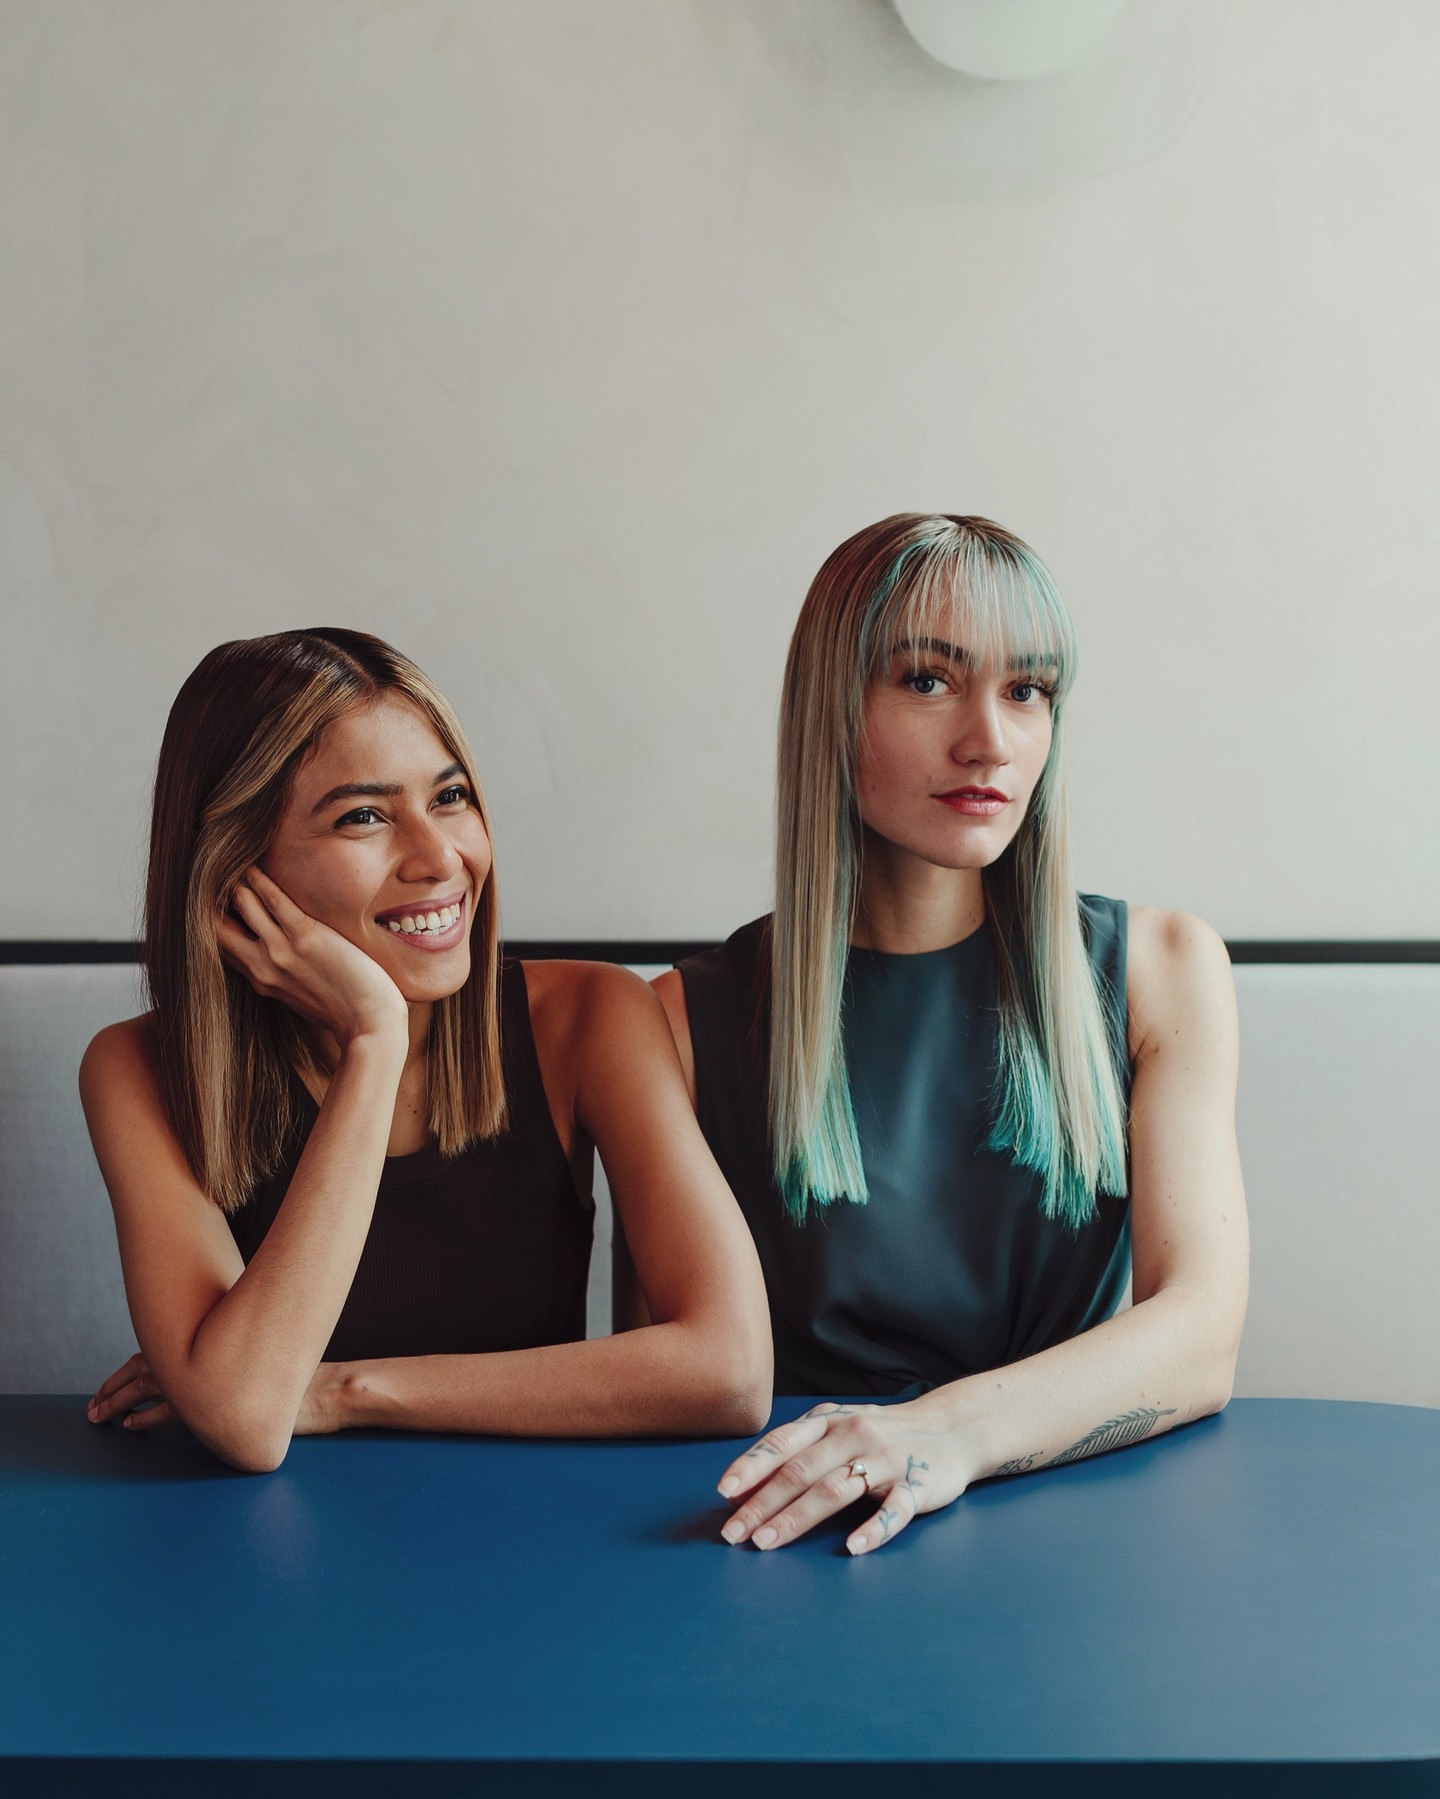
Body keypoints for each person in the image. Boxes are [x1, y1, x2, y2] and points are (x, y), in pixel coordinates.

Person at [647, 514, 1250, 1554]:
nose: (990, 741)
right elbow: (674, 1381)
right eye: (928, 680)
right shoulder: (681, 1020)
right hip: (793, 1540)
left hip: (1076, 1534)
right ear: (832, 704)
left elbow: (1200, 1332)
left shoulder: (1162, 968)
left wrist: (943, 1433)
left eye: (1028, 689)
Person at [80, 628, 771, 1472]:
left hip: (533, 1523)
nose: (441, 856)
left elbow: (731, 1369)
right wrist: (372, 1039)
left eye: (449, 796)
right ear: (235, 871)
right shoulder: (138, 1070)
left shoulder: (592, 1015)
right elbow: (247, 1419)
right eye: (364, 816)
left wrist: (341, 1390)